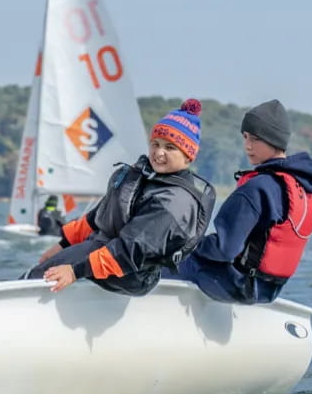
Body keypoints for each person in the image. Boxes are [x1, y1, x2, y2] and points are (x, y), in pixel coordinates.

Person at [24, 99, 215, 296]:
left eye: (170, 147)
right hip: (101, 251)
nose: (159, 153)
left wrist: (74, 270)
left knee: (46, 273)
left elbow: (130, 249)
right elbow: (99, 216)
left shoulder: (175, 202)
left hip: (131, 273)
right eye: (155, 144)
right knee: (50, 264)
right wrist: (62, 245)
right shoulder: (140, 176)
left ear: (188, 156)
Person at [168, 99, 312, 303]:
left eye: (256, 139)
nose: (248, 146)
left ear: (274, 139)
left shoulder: (258, 189)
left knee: (163, 260)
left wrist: (182, 247)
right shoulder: (302, 187)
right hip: (268, 291)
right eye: (245, 137)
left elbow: (225, 249)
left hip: (239, 286)